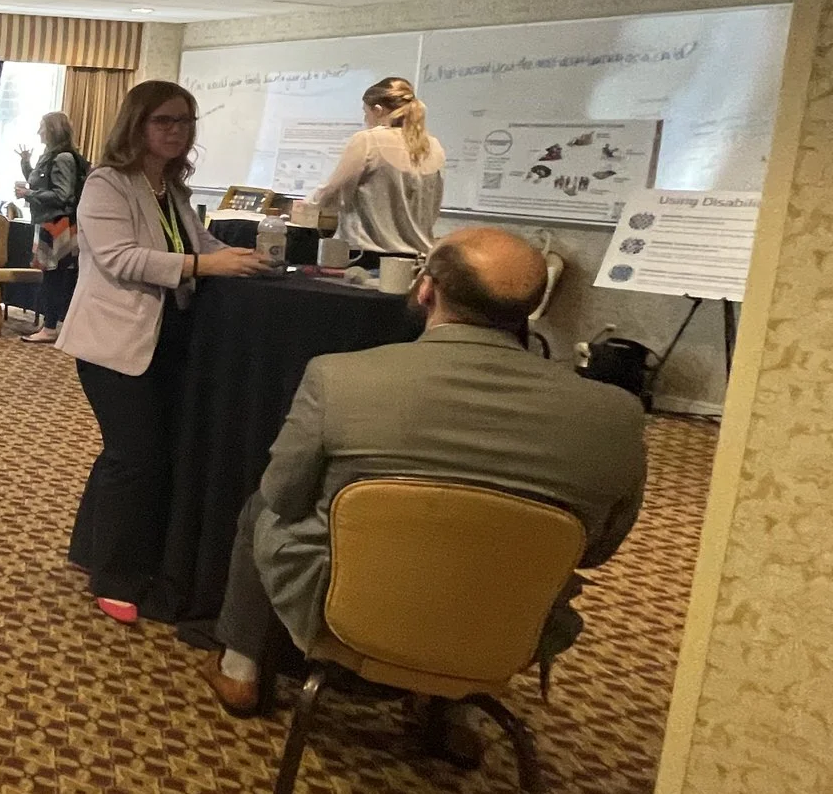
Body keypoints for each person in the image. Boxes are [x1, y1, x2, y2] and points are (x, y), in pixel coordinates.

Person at [203, 226, 649, 753]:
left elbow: (284, 495)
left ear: (426, 290)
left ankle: (241, 668)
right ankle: (457, 703)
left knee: (261, 506)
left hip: (349, 610)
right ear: (533, 307)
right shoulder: (616, 415)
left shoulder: (339, 379)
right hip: (501, 627)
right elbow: (597, 549)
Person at [59, 81, 270, 623]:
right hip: (111, 342)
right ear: (137, 124)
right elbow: (120, 258)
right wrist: (205, 265)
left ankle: (90, 549)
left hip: (162, 338)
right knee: (136, 456)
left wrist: (244, 257)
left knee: (128, 452)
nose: (177, 131)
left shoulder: (168, 188)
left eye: (185, 121)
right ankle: (117, 577)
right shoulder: (107, 183)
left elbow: (196, 243)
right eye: (164, 121)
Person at [312, 76, 446, 261]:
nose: (365, 118)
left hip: (367, 257)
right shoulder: (434, 146)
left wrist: (306, 206)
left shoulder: (368, 140)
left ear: (378, 110)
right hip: (418, 260)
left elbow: (331, 193)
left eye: (365, 112)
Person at [15, 111, 87, 346]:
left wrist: (28, 194)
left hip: (58, 225)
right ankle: (51, 325)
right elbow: (40, 182)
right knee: (52, 276)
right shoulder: (52, 155)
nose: (39, 132)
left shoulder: (63, 158)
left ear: (53, 130)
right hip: (50, 223)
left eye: (42, 127)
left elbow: (62, 194)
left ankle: (50, 327)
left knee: (54, 278)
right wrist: (26, 164)